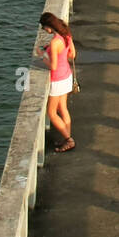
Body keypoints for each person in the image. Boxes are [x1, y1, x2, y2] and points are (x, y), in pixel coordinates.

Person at [38, 11, 76, 153]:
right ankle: (67, 136)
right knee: (63, 109)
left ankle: (69, 140)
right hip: (67, 75)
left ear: (49, 26)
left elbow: (53, 66)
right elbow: (72, 54)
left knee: (52, 112)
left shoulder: (54, 43)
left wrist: (42, 56)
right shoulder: (65, 33)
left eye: (44, 28)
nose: (44, 30)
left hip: (58, 79)